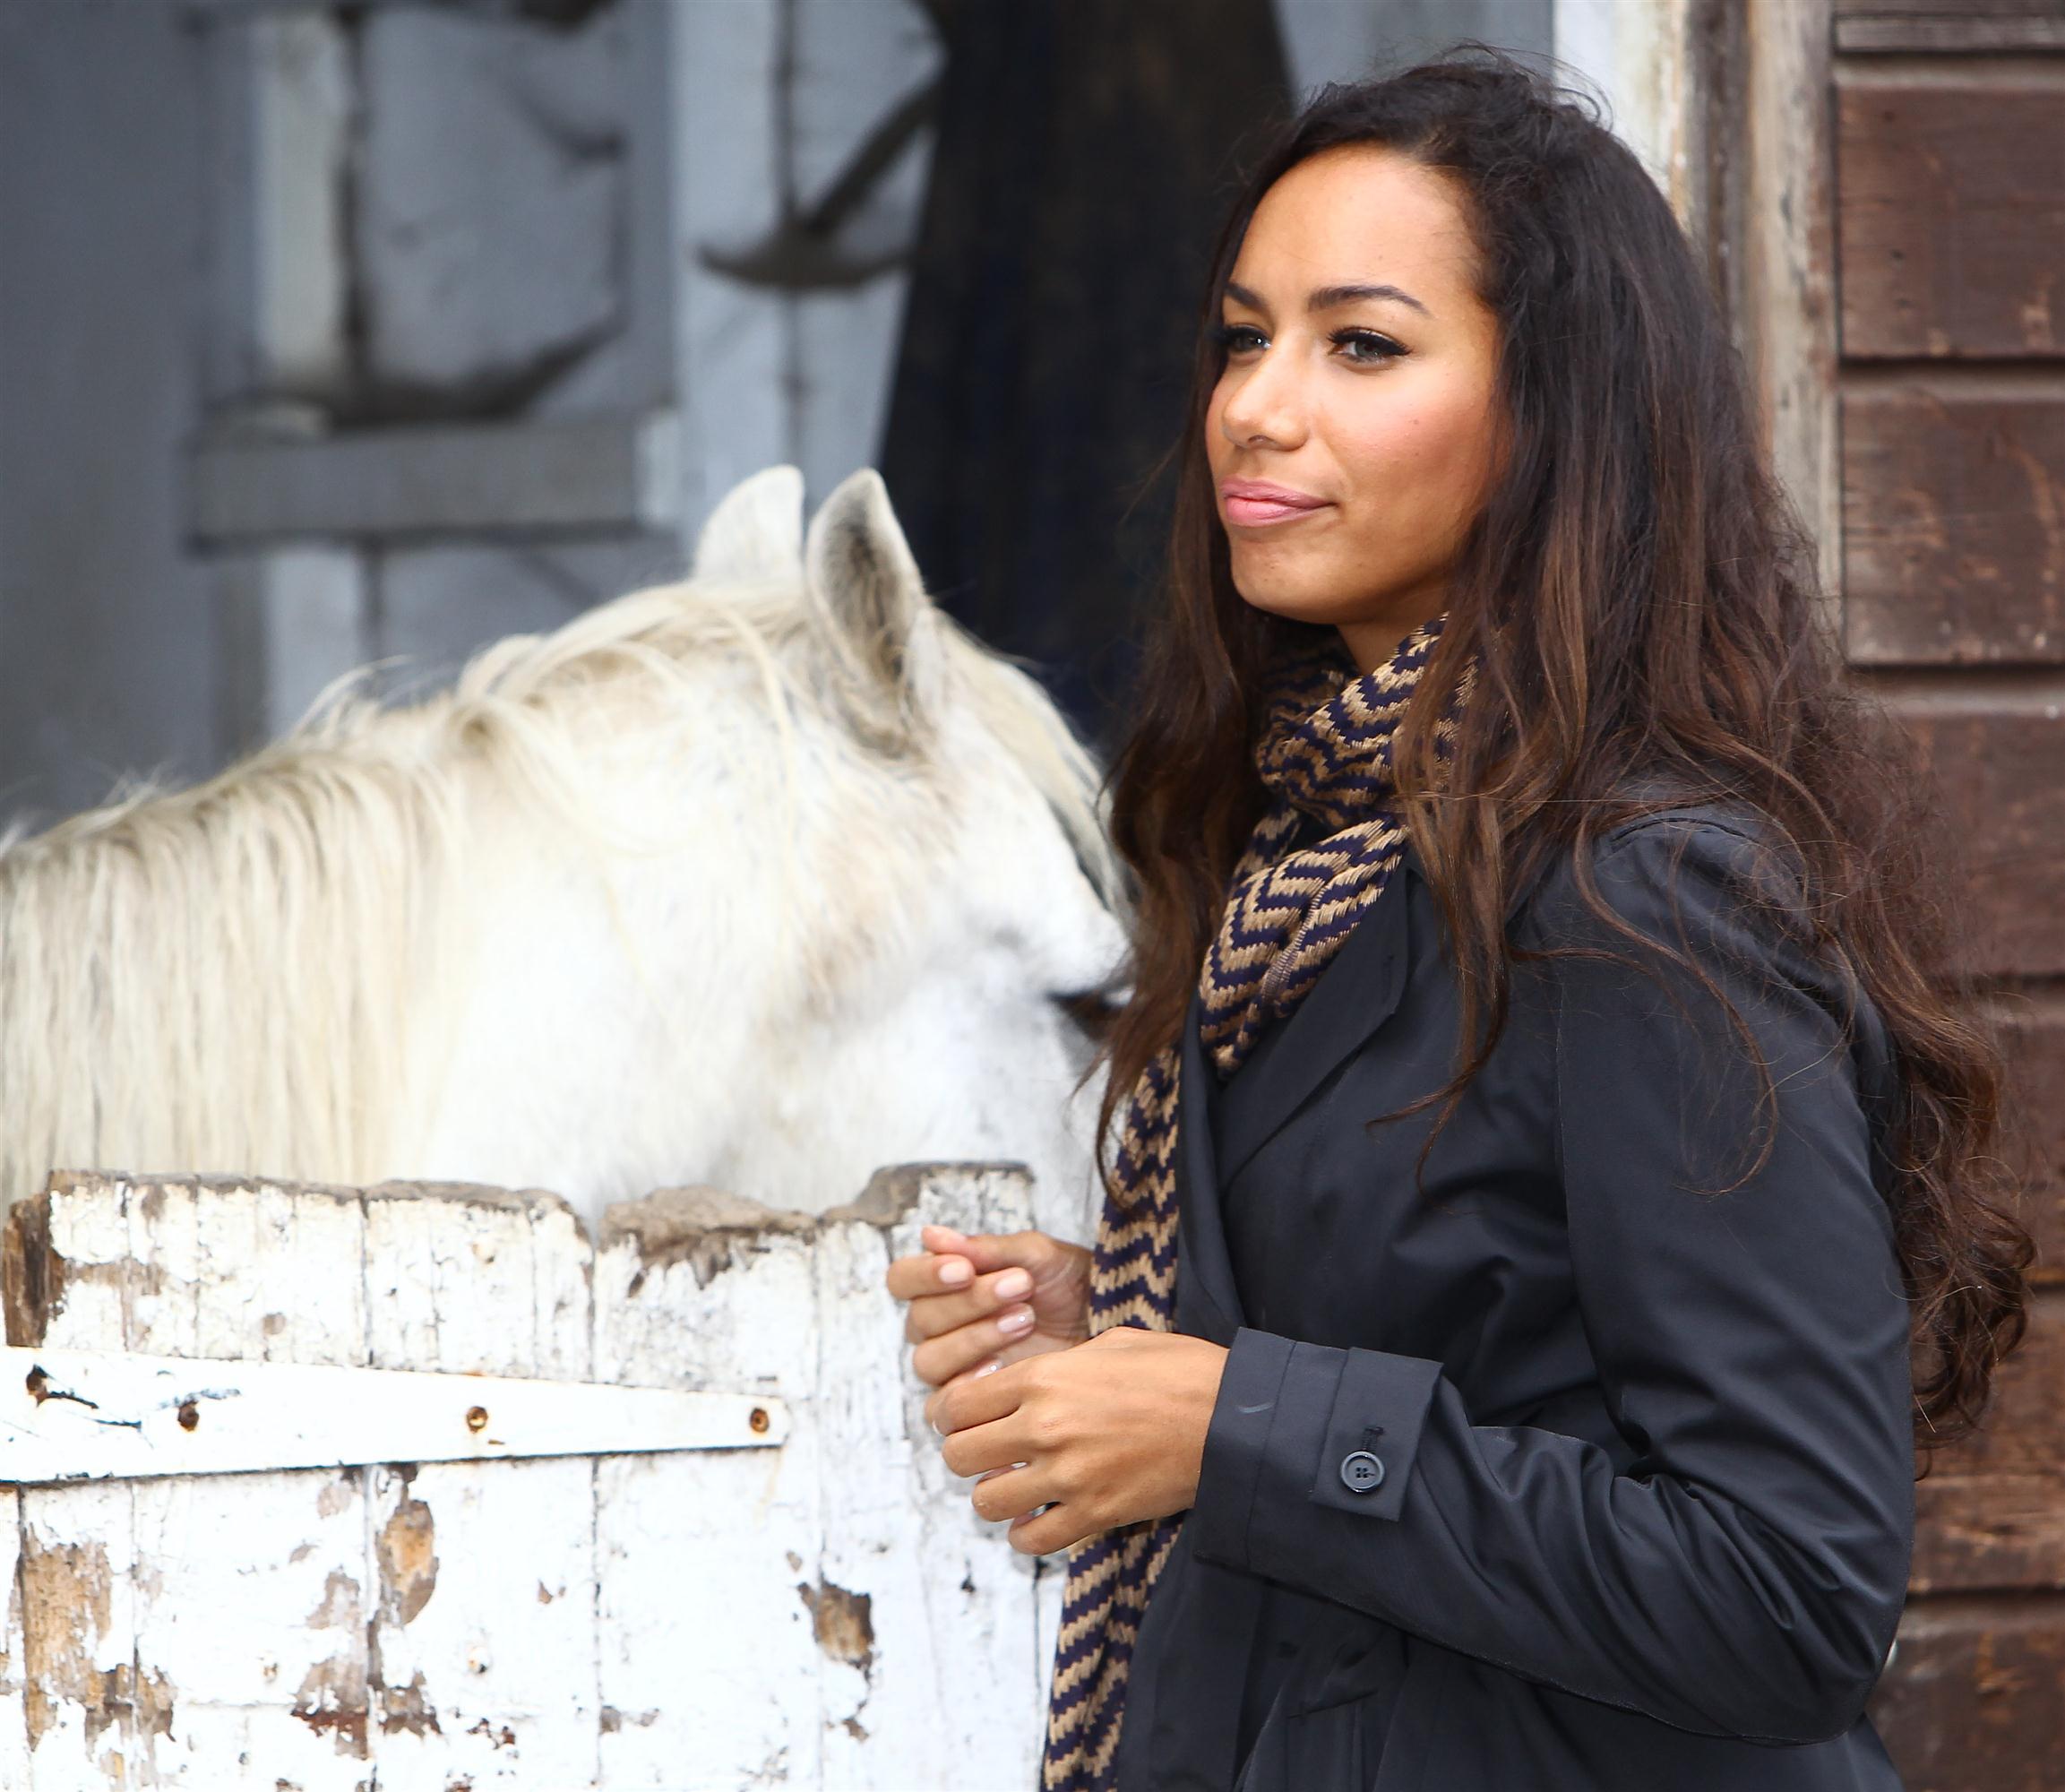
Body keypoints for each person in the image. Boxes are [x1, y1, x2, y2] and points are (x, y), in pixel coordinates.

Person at [882, 47, 2033, 1792]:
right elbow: (1457, 1327)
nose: (1259, 408)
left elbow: (1788, 1588)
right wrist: (1130, 1320)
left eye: (1362, 345)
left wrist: (1220, 1421)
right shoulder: (1318, 852)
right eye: (1240, 336)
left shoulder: (1644, 892)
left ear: (1548, 415)